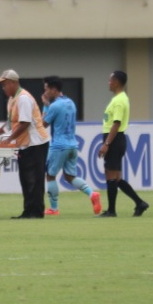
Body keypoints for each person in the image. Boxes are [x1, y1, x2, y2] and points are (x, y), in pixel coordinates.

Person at [0, 69, 50, 219]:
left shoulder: (23, 98)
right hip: (26, 144)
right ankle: (28, 211)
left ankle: (36, 211)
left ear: (13, 83)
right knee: (26, 178)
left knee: (34, 179)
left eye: (5, 84)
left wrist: (9, 139)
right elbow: (11, 123)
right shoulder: (13, 100)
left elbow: (25, 123)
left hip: (36, 143)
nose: (3, 88)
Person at [41, 76, 101, 216]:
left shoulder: (55, 105)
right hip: (72, 144)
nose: (45, 93)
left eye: (46, 89)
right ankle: (92, 194)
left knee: (50, 175)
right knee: (69, 176)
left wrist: (45, 104)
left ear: (54, 89)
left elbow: (43, 124)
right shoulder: (71, 103)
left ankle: (54, 209)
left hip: (59, 146)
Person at [96, 71, 149, 217]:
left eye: (110, 80)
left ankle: (112, 211)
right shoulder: (119, 98)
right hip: (116, 139)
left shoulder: (119, 100)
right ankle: (139, 203)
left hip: (114, 139)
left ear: (116, 82)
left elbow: (116, 124)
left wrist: (106, 144)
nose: (108, 83)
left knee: (111, 176)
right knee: (116, 178)